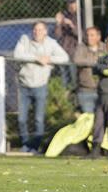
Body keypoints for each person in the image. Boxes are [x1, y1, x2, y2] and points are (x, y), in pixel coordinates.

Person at [13, 21, 69, 152]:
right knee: (22, 119)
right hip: (24, 85)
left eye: (40, 30)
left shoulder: (51, 43)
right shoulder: (24, 39)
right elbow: (17, 55)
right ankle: (26, 144)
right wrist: (36, 58)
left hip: (40, 86)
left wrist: (49, 59)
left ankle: (35, 146)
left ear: (45, 31)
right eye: (35, 30)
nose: (37, 32)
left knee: (39, 119)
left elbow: (64, 58)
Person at [73, 26, 104, 114]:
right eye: (87, 35)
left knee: (101, 118)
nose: (89, 37)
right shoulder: (81, 47)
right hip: (85, 90)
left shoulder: (105, 48)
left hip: (102, 89)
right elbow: (77, 60)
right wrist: (96, 62)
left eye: (92, 35)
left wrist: (87, 62)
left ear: (98, 37)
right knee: (88, 119)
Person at [54, 0, 79, 88]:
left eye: (73, 3)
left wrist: (72, 25)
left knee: (74, 78)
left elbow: (82, 35)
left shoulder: (82, 15)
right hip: (64, 50)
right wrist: (58, 24)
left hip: (76, 51)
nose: (71, 5)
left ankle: (74, 95)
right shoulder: (64, 15)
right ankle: (65, 97)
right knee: (64, 79)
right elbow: (57, 35)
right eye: (69, 3)